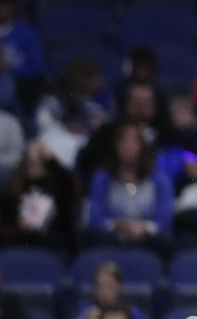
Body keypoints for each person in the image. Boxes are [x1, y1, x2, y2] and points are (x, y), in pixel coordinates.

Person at [85, 121, 175, 255]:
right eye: (124, 142)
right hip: (112, 237)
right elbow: (94, 217)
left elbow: (165, 219)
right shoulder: (102, 177)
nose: (129, 147)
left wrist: (143, 228)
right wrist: (117, 225)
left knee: (165, 241)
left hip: (148, 238)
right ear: (115, 146)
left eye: (134, 142)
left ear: (142, 146)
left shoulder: (160, 178)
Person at [0, 140, 79, 252]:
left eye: (40, 162)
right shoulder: (13, 187)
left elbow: (69, 186)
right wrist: (19, 226)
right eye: (32, 164)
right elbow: (6, 220)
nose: (36, 167)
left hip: (49, 243)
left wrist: (52, 160)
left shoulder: (58, 186)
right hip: (18, 242)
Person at [75, 263, 146, 319]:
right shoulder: (85, 311)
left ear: (119, 286)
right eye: (100, 285)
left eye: (109, 286)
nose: (104, 291)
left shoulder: (132, 311)